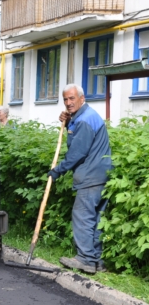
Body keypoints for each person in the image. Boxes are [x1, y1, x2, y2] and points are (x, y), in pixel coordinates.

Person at [48, 84, 112, 274]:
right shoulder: (87, 116)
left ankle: (85, 259)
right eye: (65, 99)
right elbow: (81, 140)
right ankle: (97, 261)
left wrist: (57, 170)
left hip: (91, 176)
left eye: (72, 99)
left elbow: (77, 153)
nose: (68, 103)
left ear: (82, 98)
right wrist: (68, 123)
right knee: (96, 219)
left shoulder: (84, 120)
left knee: (83, 217)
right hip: (102, 175)